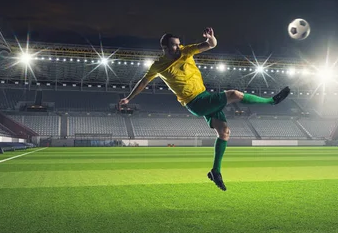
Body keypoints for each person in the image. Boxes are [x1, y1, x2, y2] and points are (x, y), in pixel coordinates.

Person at [119, 28, 290, 191]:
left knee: (224, 132)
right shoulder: (158, 66)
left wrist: (210, 37)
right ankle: (271, 101)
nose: (178, 47)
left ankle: (215, 171)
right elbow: (143, 83)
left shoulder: (186, 51)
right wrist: (128, 98)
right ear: (164, 47)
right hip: (194, 102)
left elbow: (211, 44)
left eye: (179, 44)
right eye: (174, 45)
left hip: (204, 95)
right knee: (235, 94)